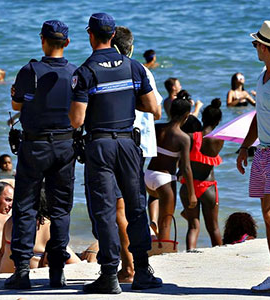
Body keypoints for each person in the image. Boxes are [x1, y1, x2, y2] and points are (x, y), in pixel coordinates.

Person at [69, 13, 162, 294]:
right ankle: (143, 270)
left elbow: (76, 120)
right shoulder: (134, 67)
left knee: (105, 210)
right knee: (136, 207)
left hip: (100, 145)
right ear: (113, 35)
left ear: (91, 35)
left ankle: (109, 275)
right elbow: (153, 108)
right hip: (129, 145)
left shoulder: (85, 71)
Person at [4, 20, 76, 290]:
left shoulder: (29, 70)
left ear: (42, 40)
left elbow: (16, 103)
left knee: (25, 206)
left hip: (34, 144)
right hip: (65, 145)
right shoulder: (74, 72)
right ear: (67, 43)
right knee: (60, 208)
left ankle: (22, 270)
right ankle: (57, 271)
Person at [236, 20, 270, 292]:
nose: (254, 47)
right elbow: (259, 116)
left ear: (266, 47)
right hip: (263, 152)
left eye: (256, 43)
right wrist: (246, 147)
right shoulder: (263, 75)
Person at [110, 25, 162, 283]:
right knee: (135, 206)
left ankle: (129, 266)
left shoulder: (113, 69)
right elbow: (158, 110)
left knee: (120, 207)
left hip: (122, 142)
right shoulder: (142, 71)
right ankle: (138, 265)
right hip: (141, 146)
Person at [145, 98, 197, 242]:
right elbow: (186, 167)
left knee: (155, 203)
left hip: (148, 175)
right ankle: (163, 251)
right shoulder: (183, 138)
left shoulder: (157, 127)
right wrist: (192, 194)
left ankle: (152, 233)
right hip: (165, 179)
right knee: (166, 222)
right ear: (186, 116)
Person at [0, 187, 80, 273]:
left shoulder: (10, 221)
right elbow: (76, 263)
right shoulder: (48, 227)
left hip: (3, 276)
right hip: (28, 278)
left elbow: (2, 252)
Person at [180, 98, 223, 250]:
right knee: (214, 228)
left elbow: (183, 161)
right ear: (218, 121)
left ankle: (189, 253)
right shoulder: (219, 140)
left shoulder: (191, 137)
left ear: (203, 118)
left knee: (193, 226)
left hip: (189, 185)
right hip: (208, 186)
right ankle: (220, 255)